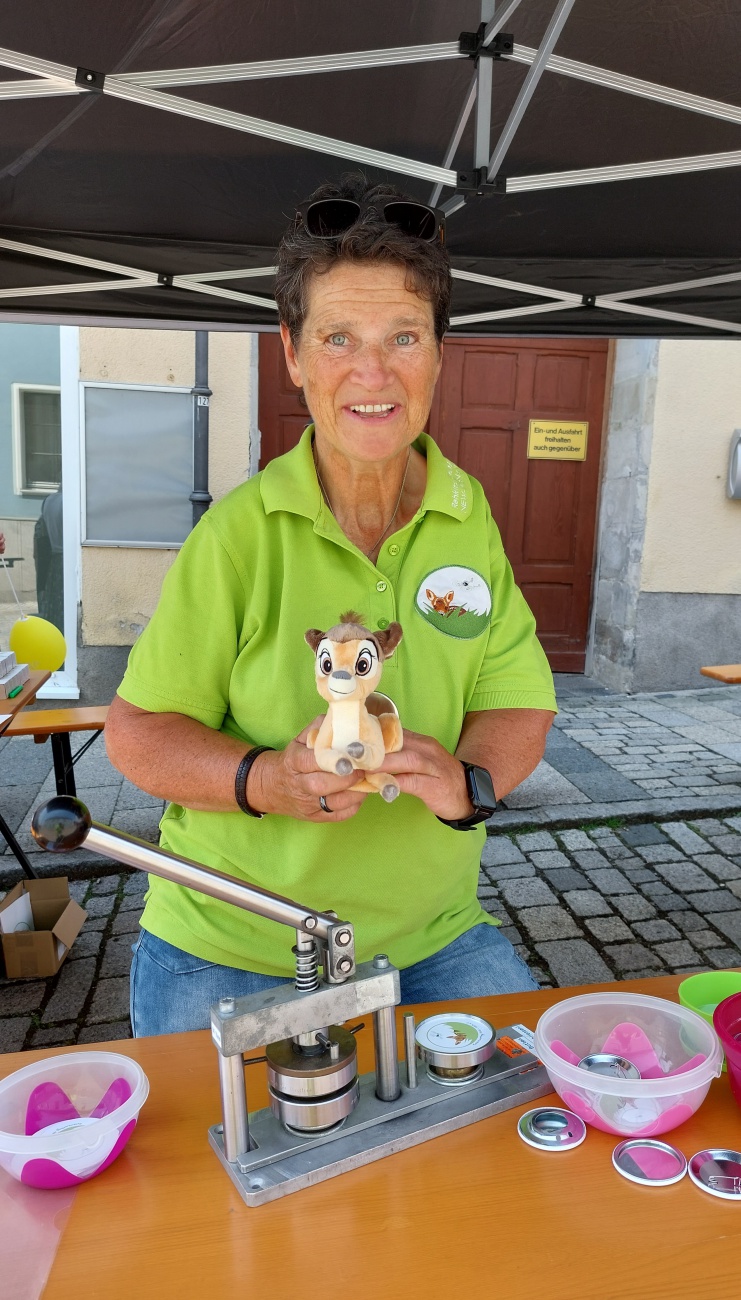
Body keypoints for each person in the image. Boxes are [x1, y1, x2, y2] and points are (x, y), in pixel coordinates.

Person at [105, 174, 558, 1037]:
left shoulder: (467, 513)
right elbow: (138, 733)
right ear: (291, 353)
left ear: (437, 351)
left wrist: (469, 783)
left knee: (514, 1142)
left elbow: (517, 699)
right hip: (234, 940)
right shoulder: (241, 533)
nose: (372, 371)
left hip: (433, 936)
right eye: (338, 337)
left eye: (403, 336)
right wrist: (265, 780)